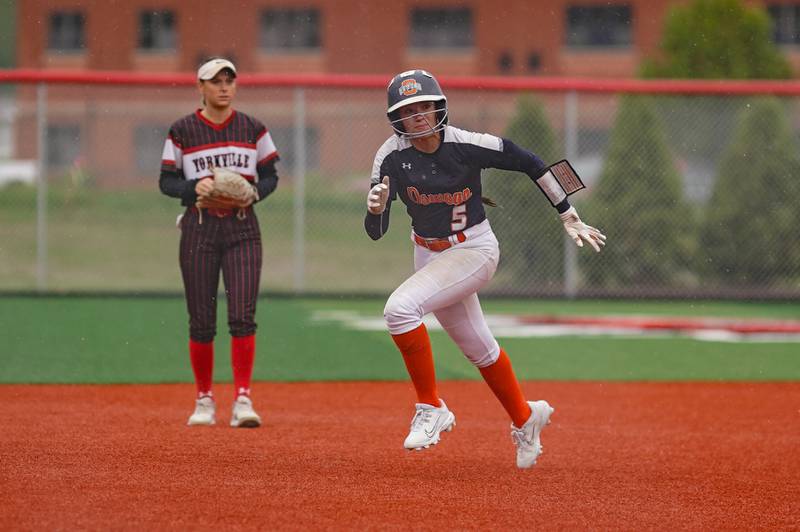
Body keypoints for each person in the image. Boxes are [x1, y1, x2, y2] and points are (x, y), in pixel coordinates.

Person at [364, 69, 606, 468]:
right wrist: (375, 210)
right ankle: (526, 418)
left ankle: (431, 407)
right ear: (397, 118)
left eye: (425, 105)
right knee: (480, 349)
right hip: (427, 253)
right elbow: (376, 231)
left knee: (399, 310)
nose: (420, 115)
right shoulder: (390, 155)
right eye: (409, 109)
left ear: (439, 106)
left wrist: (569, 212)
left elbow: (533, 162)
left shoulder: (467, 143)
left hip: (473, 250)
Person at [159, 57, 280, 428]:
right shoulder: (182, 131)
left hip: (243, 229)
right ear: (201, 87)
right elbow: (166, 182)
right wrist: (194, 187)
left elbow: (270, 175)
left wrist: (253, 193)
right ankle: (204, 399)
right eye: (215, 81)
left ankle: (243, 398)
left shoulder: (253, 128)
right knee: (202, 320)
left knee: (242, 315)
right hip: (200, 228)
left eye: (229, 80)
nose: (224, 87)